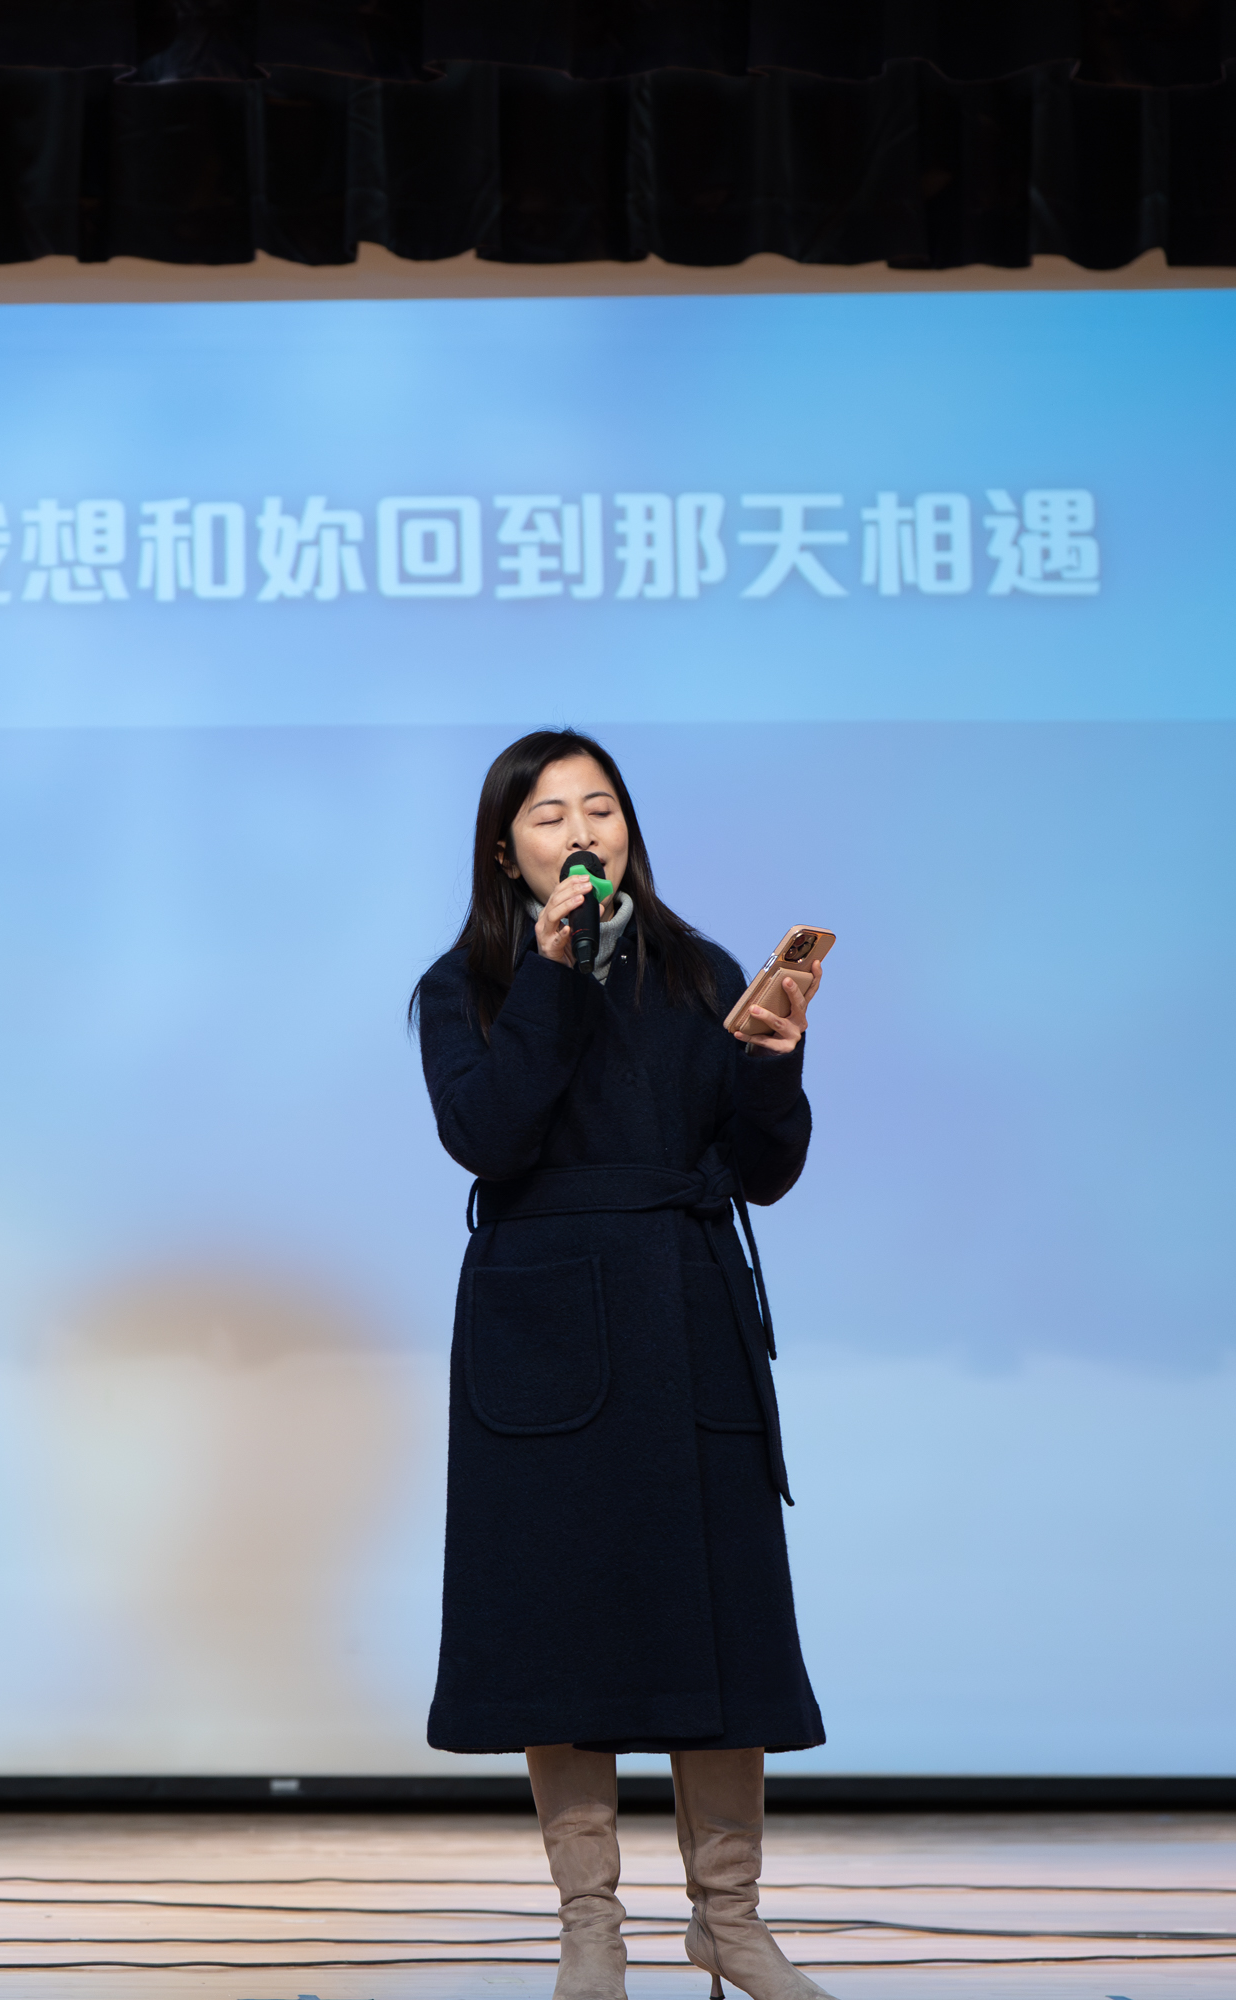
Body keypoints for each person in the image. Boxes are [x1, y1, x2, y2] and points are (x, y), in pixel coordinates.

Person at [412, 731, 833, 2000]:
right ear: (507, 853)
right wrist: (553, 976)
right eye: (550, 816)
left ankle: (729, 1918)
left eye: (601, 807)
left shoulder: (699, 970)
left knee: (726, 1622)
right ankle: (590, 1925)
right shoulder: (467, 982)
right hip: (543, 1330)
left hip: (687, 1312)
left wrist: (769, 1058)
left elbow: (762, 1169)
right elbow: (488, 1133)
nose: (582, 831)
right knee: (561, 1624)